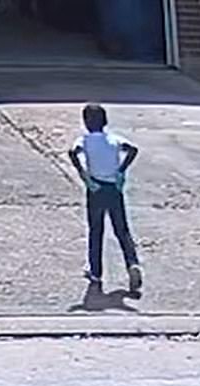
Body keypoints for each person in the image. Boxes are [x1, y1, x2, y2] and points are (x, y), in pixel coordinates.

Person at [68, 104, 143, 292]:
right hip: (114, 189)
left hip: (95, 189)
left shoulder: (84, 140)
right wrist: (121, 171)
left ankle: (96, 272)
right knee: (122, 229)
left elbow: (73, 152)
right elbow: (132, 149)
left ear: (86, 122)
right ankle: (132, 263)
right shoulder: (114, 139)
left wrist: (83, 174)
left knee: (96, 230)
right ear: (105, 121)